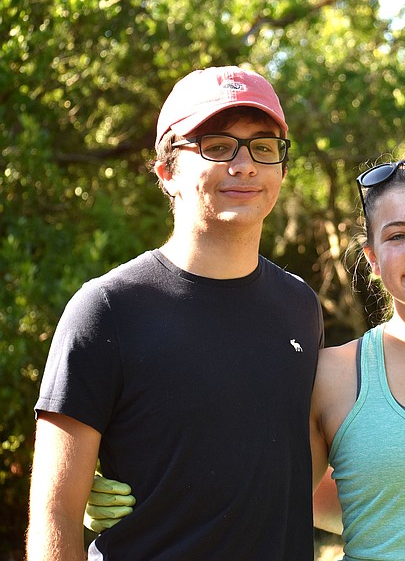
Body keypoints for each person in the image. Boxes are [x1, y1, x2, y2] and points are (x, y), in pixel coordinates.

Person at [84, 150, 405, 559]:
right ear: (371, 259)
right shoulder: (332, 376)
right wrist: (135, 488)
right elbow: (268, 492)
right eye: (396, 236)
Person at [27, 65, 323, 560]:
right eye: (217, 145)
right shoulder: (107, 309)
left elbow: (289, 471)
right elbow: (54, 517)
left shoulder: (300, 306)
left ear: (282, 169)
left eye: (263, 147)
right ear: (167, 172)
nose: (244, 164)